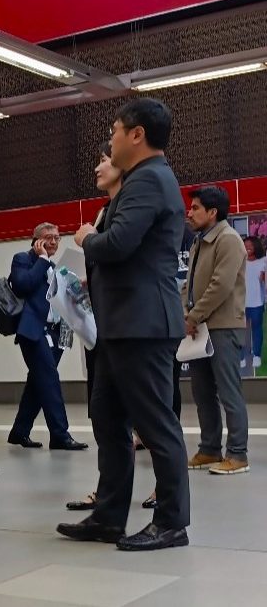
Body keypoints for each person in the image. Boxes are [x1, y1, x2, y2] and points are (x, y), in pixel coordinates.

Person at [58, 98, 190, 551]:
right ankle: (110, 516)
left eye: (115, 130)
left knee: (156, 425)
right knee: (108, 420)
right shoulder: (139, 181)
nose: (110, 140)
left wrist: (86, 238)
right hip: (122, 325)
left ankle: (172, 522)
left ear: (137, 135)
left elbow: (117, 244)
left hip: (143, 324)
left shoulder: (150, 180)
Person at [183, 185, 249, 475]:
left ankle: (238, 454)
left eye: (196, 207)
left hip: (222, 326)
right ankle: (210, 449)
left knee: (228, 392)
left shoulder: (229, 240)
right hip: (200, 328)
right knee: (203, 392)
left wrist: (193, 316)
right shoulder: (199, 241)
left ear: (213, 212)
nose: (190, 212)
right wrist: (186, 313)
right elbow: (190, 283)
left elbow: (220, 286)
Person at [7, 223, 87, 451]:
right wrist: (41, 259)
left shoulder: (55, 267)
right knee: (49, 379)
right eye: (48, 238)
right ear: (36, 240)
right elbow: (22, 285)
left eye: (57, 238)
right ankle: (60, 434)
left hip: (55, 331)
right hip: (33, 331)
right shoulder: (23, 259)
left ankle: (19, 431)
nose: (53, 242)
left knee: (38, 381)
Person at [241, 236, 266, 368]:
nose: (247, 248)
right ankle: (241, 357)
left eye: (250, 245)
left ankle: (256, 355)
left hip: (257, 302)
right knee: (241, 331)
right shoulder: (239, 261)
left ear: (256, 246)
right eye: (245, 245)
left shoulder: (263, 261)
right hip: (241, 303)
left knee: (256, 330)